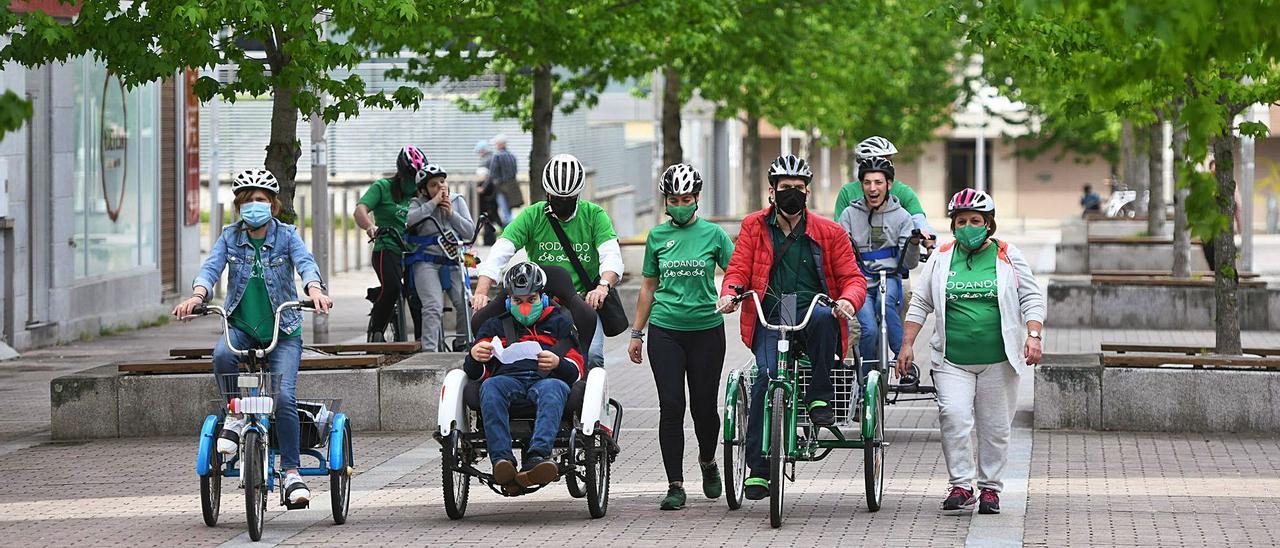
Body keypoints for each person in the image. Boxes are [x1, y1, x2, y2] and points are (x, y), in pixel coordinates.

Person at [173, 168, 334, 507]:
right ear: (238, 207)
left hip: (282, 329)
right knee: (221, 356)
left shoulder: (288, 236)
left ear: (273, 206)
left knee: (284, 398)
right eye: (247, 202)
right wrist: (197, 297)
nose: (253, 207)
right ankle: (234, 414)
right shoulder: (230, 236)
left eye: (260, 200)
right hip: (242, 326)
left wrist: (315, 290)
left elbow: (306, 264)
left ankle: (291, 471)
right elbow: (211, 268)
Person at [717, 154, 865, 501]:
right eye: (785, 188)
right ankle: (758, 469)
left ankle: (818, 398)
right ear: (772, 191)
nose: (791, 194)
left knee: (826, 317)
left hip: (813, 304)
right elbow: (737, 270)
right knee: (766, 377)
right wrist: (730, 294)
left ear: (807, 192)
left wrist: (848, 301)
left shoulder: (830, 231)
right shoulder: (754, 226)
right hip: (775, 310)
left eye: (798, 189)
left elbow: (853, 278)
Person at [896, 188, 1045, 516]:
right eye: (961, 221)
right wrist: (907, 343)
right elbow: (921, 302)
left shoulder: (1008, 254)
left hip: (999, 361)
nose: (968, 226)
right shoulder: (942, 256)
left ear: (989, 224)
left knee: (995, 427)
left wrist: (1033, 335)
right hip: (952, 360)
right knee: (954, 416)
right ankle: (962, 484)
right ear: (953, 225)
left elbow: (1032, 298)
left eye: (975, 220)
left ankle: (990, 488)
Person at [628, 164, 735, 510]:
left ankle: (707, 461)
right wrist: (636, 333)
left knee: (704, 409)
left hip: (706, 330)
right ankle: (675, 484)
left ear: (697, 199)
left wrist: (730, 296)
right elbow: (648, 286)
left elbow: (735, 273)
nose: (679, 204)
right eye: (673, 199)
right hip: (665, 331)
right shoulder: (657, 237)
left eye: (686, 198)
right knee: (672, 406)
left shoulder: (714, 235)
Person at [471, 154, 623, 369]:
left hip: (583, 300)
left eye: (568, 199)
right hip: (542, 302)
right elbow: (501, 251)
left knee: (592, 354)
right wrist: (481, 291)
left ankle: (592, 398)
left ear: (578, 194)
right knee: (537, 354)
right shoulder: (532, 216)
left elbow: (611, 255)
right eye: (557, 198)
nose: (562, 203)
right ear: (547, 193)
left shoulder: (594, 215)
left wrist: (602, 286)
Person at [465, 262, 585, 489]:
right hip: (507, 379)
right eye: (518, 301)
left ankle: (537, 458)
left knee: (554, 389)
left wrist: (558, 363)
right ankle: (502, 460)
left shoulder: (561, 323)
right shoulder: (494, 326)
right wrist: (474, 355)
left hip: (549, 379)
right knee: (490, 387)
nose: (525, 307)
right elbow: (476, 373)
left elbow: (577, 368)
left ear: (543, 298)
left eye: (532, 300)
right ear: (509, 300)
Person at [839, 157, 921, 373]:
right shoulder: (849, 215)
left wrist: (913, 244)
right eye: (867, 183)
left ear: (889, 184)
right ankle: (864, 377)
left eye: (878, 182)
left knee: (885, 307)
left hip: (889, 276)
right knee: (868, 329)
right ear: (861, 185)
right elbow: (841, 255)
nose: (872, 188)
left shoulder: (902, 217)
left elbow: (910, 263)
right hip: (860, 281)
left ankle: (903, 359)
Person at [355, 145, 425, 342]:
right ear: (401, 175)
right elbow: (360, 210)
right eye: (410, 179)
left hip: (414, 251)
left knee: (417, 295)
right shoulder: (382, 187)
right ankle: (376, 330)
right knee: (393, 287)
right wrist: (370, 227)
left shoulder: (421, 192)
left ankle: (422, 341)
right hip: (387, 246)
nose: (414, 185)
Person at [405, 163, 475, 352]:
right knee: (433, 307)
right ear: (423, 189)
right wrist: (433, 203)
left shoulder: (457, 200)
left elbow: (470, 232)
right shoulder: (417, 204)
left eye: (442, 183)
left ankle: (463, 343)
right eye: (434, 185)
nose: (440, 188)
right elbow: (410, 221)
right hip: (426, 261)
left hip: (453, 260)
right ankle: (429, 352)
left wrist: (451, 214)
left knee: (466, 302)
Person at [834, 136, 936, 239]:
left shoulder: (903, 191)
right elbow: (839, 229)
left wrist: (928, 240)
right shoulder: (847, 192)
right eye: (881, 161)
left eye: (889, 160)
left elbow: (919, 221)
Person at [489, 134, 523, 224]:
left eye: (496, 144)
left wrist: (484, 187)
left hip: (501, 188)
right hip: (512, 187)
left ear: (500, 144)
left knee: (504, 212)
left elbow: (492, 174)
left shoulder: (497, 156)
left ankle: (510, 232)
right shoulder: (512, 156)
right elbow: (515, 171)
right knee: (509, 210)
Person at [475, 139, 501, 245]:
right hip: (491, 195)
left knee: (489, 218)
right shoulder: (491, 158)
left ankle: (489, 240)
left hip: (488, 196)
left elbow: (488, 177)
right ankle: (490, 240)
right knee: (491, 218)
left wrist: (483, 188)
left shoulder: (487, 160)